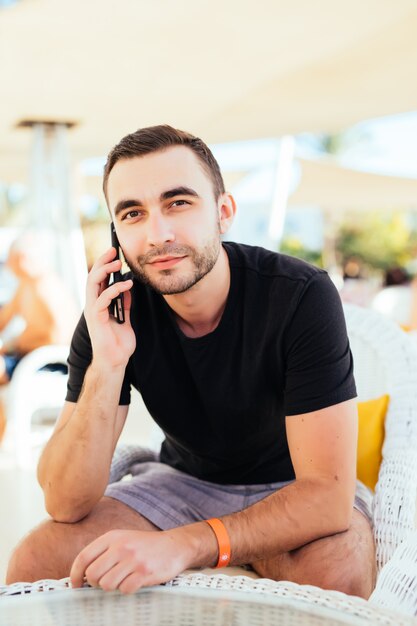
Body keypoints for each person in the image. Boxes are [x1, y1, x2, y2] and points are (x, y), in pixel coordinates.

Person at [6, 126, 375, 597]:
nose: (158, 233)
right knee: (36, 559)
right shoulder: (113, 312)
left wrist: (184, 546)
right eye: (133, 213)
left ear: (223, 213)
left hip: (291, 489)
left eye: (178, 203)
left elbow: (326, 497)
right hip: (181, 484)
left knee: (336, 574)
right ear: (116, 234)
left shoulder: (299, 295)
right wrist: (109, 363)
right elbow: (64, 500)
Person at [0, 232, 79, 441]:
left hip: (51, 361)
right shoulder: (24, 286)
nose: (7, 266)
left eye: (9, 260)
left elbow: (60, 336)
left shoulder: (47, 286)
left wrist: (17, 343)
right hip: (26, 358)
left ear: (21, 259)